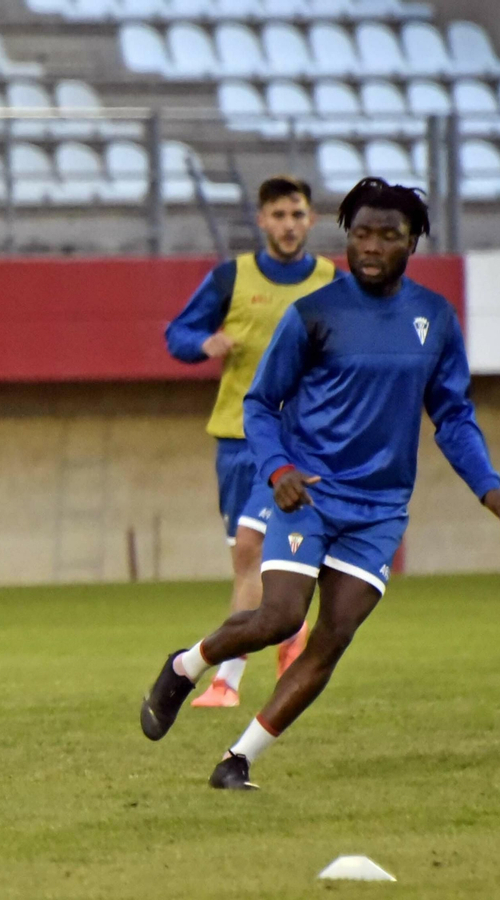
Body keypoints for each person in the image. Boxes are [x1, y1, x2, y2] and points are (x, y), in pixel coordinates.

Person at [140, 178, 500, 791]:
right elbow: (261, 405)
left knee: (333, 638)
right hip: (308, 491)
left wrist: (489, 486)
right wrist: (279, 471)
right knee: (279, 618)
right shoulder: (314, 312)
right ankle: (185, 666)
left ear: (413, 242)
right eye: (361, 234)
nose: (371, 246)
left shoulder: (435, 318)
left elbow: (452, 415)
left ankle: (237, 761)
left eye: (387, 236)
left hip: (379, 511)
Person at [164, 176, 338, 708]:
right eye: (279, 215)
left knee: (254, 550)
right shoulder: (231, 278)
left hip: (299, 444)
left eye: (297, 215)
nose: (289, 225)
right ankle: (288, 633)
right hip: (238, 442)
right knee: (246, 564)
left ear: (311, 220)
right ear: (262, 221)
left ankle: (226, 682)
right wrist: (204, 342)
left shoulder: (333, 281)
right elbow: (177, 334)